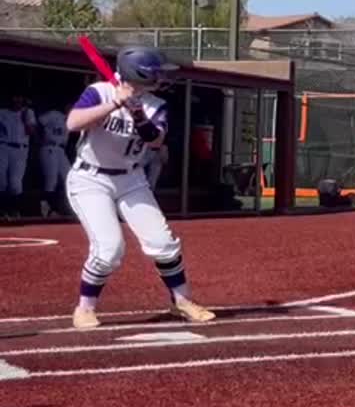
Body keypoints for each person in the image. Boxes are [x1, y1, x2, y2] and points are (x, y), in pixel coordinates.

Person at [65, 48, 214, 330]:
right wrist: (114, 104)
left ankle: (181, 302)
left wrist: (138, 114)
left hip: (131, 179)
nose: (161, 77)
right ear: (138, 73)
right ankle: (85, 308)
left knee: (163, 243)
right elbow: (73, 122)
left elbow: (155, 141)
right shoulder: (100, 91)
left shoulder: (156, 104)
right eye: (155, 72)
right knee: (109, 249)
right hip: (90, 179)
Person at [36, 98, 71, 217]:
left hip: (60, 150)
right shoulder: (55, 114)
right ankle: (46, 208)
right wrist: (40, 139)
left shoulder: (70, 119)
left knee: (69, 178)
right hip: (49, 148)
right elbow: (39, 123)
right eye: (71, 106)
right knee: (51, 181)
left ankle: (61, 208)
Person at [0, 93, 29, 219]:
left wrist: (25, 118)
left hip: (20, 149)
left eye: (19, 99)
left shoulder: (28, 113)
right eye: (15, 98)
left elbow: (31, 131)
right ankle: (2, 211)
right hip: (4, 146)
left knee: (15, 183)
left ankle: (14, 211)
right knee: (1, 180)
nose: (17, 101)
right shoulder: (2, 112)